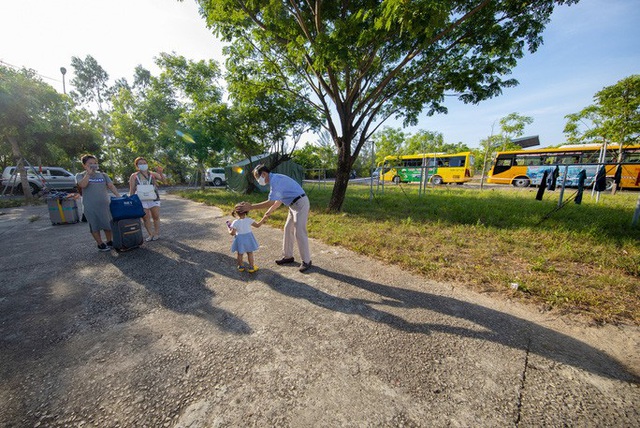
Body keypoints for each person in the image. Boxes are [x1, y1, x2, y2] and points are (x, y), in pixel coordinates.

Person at [236, 164, 312, 273]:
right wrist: (270, 211)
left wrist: (251, 206)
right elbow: (278, 200)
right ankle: (288, 257)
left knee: (299, 232)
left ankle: (306, 261)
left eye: (257, 177)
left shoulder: (276, 181)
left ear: (264, 174)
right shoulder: (275, 180)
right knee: (287, 229)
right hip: (292, 205)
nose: (258, 180)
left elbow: (271, 201)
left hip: (300, 204)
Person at [76, 154, 121, 251]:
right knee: (95, 225)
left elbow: (111, 186)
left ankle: (109, 241)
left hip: (105, 205)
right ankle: (100, 243)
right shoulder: (80, 175)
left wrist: (118, 196)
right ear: (84, 165)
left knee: (108, 224)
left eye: (95, 163)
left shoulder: (103, 175)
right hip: (90, 206)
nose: (93, 165)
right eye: (90, 163)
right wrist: (88, 174)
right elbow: (83, 185)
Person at [129, 157, 165, 242]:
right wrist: (131, 200)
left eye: (144, 163)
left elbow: (164, 181)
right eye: (140, 163)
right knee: (145, 217)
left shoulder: (152, 174)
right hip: (141, 199)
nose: (143, 165)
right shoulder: (134, 176)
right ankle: (150, 234)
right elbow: (132, 189)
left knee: (155, 216)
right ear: (137, 166)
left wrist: (160, 173)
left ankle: (156, 233)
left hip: (153, 198)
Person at [228, 205, 266, 273]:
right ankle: (251, 267)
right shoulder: (249, 220)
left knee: (240, 254)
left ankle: (241, 267)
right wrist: (264, 218)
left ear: (236, 213)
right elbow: (257, 225)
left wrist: (228, 229)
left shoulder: (235, 222)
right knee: (250, 253)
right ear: (246, 212)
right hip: (248, 239)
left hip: (240, 239)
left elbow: (232, 233)